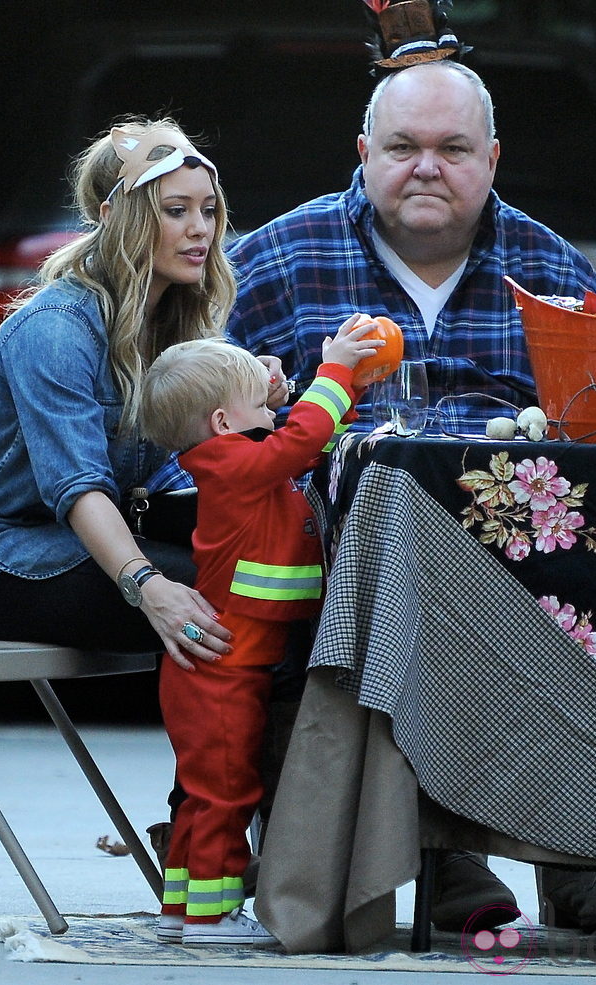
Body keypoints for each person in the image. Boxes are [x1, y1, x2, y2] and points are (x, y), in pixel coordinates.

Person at [225, 0, 596, 937]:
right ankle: (436, 853)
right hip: (337, 579)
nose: (427, 167)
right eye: (403, 148)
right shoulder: (276, 260)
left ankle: (586, 853)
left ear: (492, 160)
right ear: (364, 154)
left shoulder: (553, 275)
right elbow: (192, 436)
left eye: (453, 150)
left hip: (524, 582)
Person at [0, 116, 290, 674]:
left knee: (280, 551)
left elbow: (214, 447)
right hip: (5, 561)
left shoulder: (175, 319)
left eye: (209, 209)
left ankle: (279, 759)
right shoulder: (54, 330)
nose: (201, 229)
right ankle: (224, 761)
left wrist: (253, 393)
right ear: (115, 217)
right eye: (176, 211)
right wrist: (151, 588)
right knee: (234, 582)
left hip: (104, 531)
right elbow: (78, 489)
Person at [138, 320, 382, 945]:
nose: (275, 407)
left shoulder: (231, 456)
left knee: (203, 793)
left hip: (225, 665)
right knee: (227, 792)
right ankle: (212, 916)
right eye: (257, 403)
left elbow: (296, 434)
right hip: (223, 670)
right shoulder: (233, 462)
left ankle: (180, 910)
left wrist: (276, 390)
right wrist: (336, 371)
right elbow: (298, 443)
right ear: (223, 424)